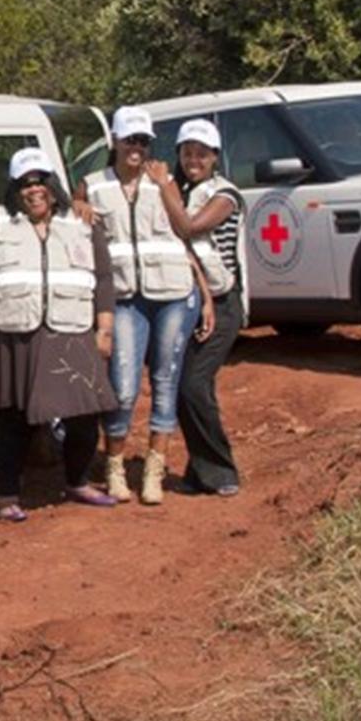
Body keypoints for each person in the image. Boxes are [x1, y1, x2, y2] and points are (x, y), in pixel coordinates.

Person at [0, 146, 121, 522]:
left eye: (40, 181)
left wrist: (104, 329)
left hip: (70, 332)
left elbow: (104, 278)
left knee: (84, 417)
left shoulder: (82, 221)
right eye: (25, 183)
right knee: (14, 420)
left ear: (53, 185)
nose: (34, 189)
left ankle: (77, 482)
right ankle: (7, 497)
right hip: (16, 336)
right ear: (14, 189)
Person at [80, 107, 214, 505]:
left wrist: (205, 295)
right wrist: (77, 205)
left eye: (143, 141)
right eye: (130, 140)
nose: (136, 148)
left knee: (165, 381)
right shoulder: (93, 185)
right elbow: (74, 214)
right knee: (122, 387)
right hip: (124, 298)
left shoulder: (163, 180)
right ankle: (115, 467)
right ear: (115, 142)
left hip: (173, 293)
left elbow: (184, 234)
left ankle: (154, 471)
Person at [143, 119, 244, 496]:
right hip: (186, 298)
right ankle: (201, 472)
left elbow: (188, 227)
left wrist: (163, 186)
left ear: (215, 157)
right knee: (181, 383)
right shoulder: (181, 190)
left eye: (202, 154)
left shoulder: (225, 194)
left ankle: (221, 470)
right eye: (187, 153)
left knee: (193, 384)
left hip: (223, 303)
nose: (193, 160)